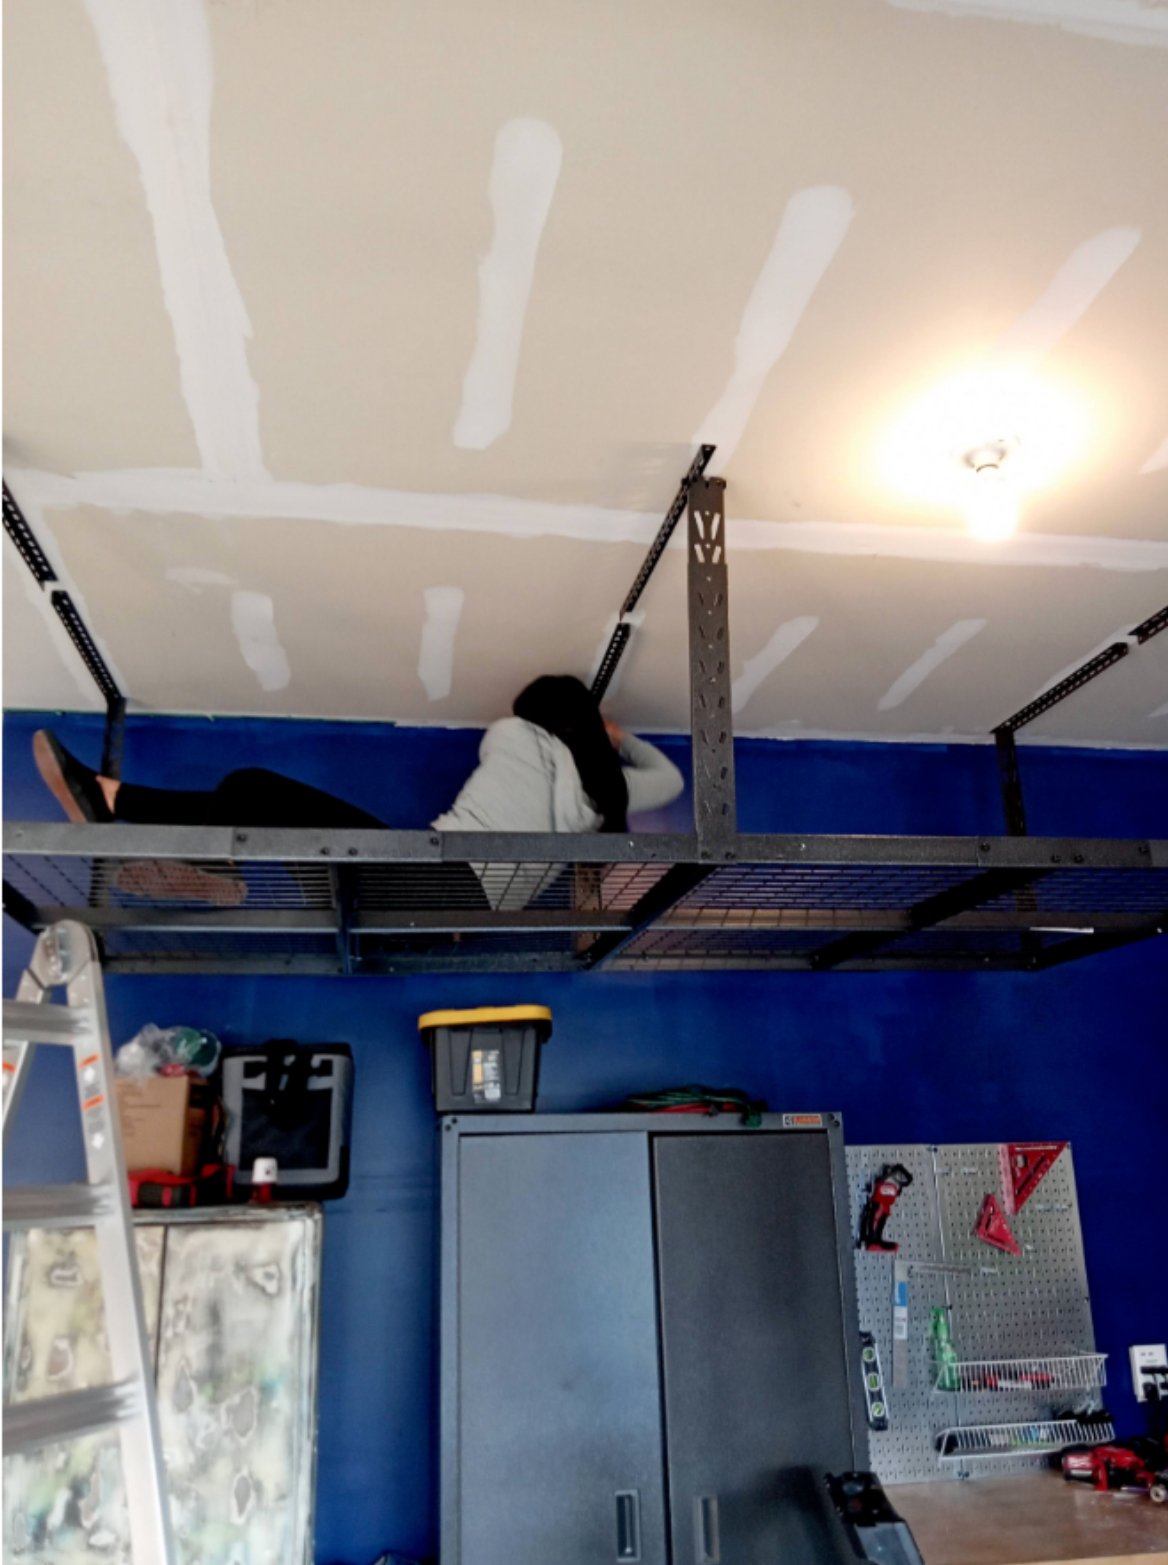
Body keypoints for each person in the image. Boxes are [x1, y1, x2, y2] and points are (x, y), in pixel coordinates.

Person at [33, 674, 684, 905]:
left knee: (248, 785)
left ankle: (212, 866)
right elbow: (672, 779)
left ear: (539, 716)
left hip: (431, 876)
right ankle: (111, 799)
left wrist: (596, 731)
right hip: (445, 906)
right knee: (249, 805)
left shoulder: (515, 734)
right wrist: (612, 738)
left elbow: (512, 741)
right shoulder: (600, 802)